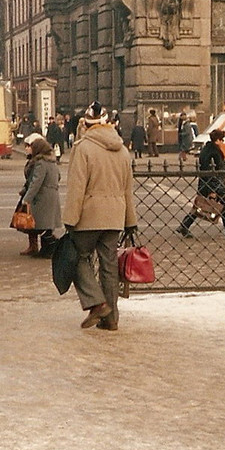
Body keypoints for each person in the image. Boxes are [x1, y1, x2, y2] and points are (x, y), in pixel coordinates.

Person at [63, 101, 137, 331]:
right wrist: (130, 221)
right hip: (115, 217)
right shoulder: (123, 150)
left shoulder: (83, 148)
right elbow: (128, 189)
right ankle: (112, 319)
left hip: (89, 216)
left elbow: (76, 187)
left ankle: (97, 304)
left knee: (76, 256)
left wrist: (70, 219)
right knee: (109, 266)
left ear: (86, 124)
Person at [176, 128, 225, 239]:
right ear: (217, 140)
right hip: (214, 185)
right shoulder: (214, 152)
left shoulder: (206, 149)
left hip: (206, 183)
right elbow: (212, 171)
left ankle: (185, 225)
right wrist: (212, 191)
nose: (223, 142)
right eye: (222, 140)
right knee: (214, 206)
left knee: (203, 206)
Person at [19, 136, 62, 257]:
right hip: (51, 196)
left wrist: (26, 199)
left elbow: (36, 183)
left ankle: (51, 249)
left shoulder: (40, 163)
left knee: (40, 225)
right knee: (46, 226)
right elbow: (58, 177)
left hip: (42, 198)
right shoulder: (51, 161)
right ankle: (46, 250)